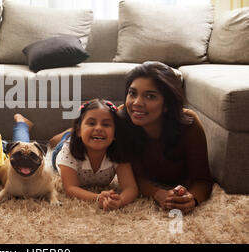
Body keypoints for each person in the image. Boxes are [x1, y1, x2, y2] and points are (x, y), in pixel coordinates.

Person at [120, 61, 213, 214]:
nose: (136, 103)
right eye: (132, 93)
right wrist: (158, 193)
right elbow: (133, 177)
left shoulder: (189, 124)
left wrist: (192, 199)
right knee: (74, 138)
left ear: (167, 104)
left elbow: (203, 180)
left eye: (150, 96)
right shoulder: (122, 119)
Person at [49, 98, 138, 211]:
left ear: (116, 133)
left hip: (83, 135)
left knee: (87, 133)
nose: (99, 128)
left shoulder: (120, 152)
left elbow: (131, 188)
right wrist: (97, 198)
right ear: (79, 131)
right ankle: (68, 133)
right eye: (91, 123)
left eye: (106, 124)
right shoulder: (69, 152)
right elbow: (70, 188)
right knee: (60, 140)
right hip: (68, 147)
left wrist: (120, 200)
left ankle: (80, 129)